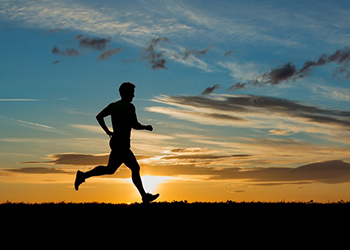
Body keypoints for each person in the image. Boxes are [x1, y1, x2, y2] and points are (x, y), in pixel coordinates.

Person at [74, 82, 159, 203]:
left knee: (112, 169)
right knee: (133, 168)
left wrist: (108, 131)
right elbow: (134, 125)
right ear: (127, 93)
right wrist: (146, 127)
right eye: (132, 93)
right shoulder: (129, 107)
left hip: (116, 141)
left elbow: (99, 116)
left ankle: (82, 176)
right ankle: (144, 196)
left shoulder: (113, 106)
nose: (133, 96)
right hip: (122, 144)